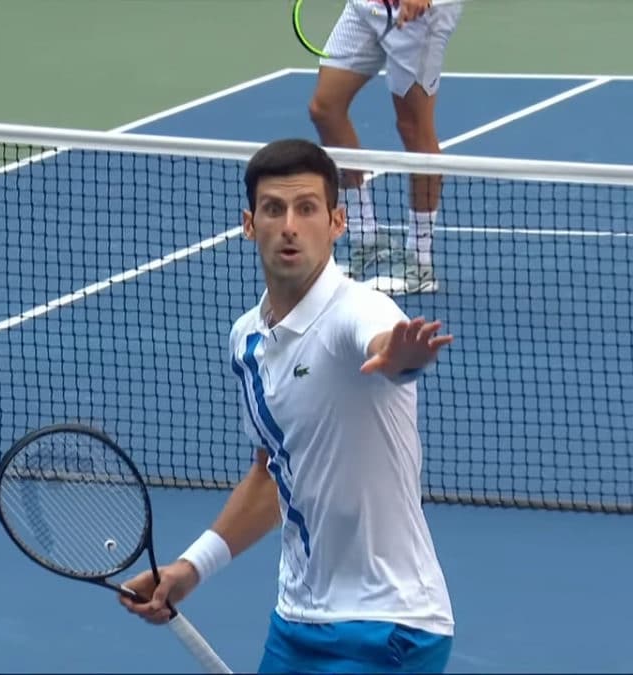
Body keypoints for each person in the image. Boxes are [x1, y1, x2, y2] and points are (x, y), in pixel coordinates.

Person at [117, 139, 456, 673]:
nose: (290, 226)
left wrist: (400, 356)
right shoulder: (246, 339)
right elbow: (272, 474)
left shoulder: (360, 310)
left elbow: (384, 345)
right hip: (297, 619)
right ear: (250, 224)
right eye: (274, 209)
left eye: (307, 209)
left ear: (338, 221)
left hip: (388, 624)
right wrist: (189, 569)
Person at [308, 0, 465, 295]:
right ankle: (367, 237)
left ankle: (420, 263)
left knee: (413, 127)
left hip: (418, 14)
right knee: (325, 108)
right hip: (366, 5)